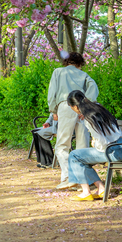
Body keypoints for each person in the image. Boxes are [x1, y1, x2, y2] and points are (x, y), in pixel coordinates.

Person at [45, 52, 98, 189]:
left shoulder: (58, 72)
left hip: (65, 105)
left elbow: (52, 93)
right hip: (82, 107)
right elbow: (94, 87)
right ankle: (83, 180)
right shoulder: (84, 75)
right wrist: (87, 105)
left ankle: (69, 177)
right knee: (83, 144)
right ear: (80, 63)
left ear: (67, 62)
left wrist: (53, 110)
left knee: (62, 144)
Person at [65, 89, 122, 201]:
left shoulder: (89, 118)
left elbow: (102, 142)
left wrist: (94, 144)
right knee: (81, 158)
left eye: (71, 106)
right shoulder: (97, 107)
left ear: (75, 106)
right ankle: (101, 188)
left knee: (74, 156)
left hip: (113, 151)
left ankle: (86, 192)